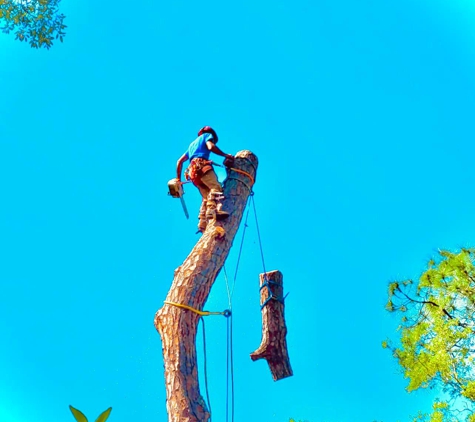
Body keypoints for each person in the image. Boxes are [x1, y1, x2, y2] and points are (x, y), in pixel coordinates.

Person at [176, 126, 234, 233]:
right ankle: (212, 212)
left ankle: (202, 223)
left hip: (193, 173)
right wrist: (225, 155)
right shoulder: (207, 136)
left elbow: (179, 162)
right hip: (202, 167)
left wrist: (178, 180)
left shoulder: (191, 146)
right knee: (216, 187)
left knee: (207, 196)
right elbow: (211, 147)